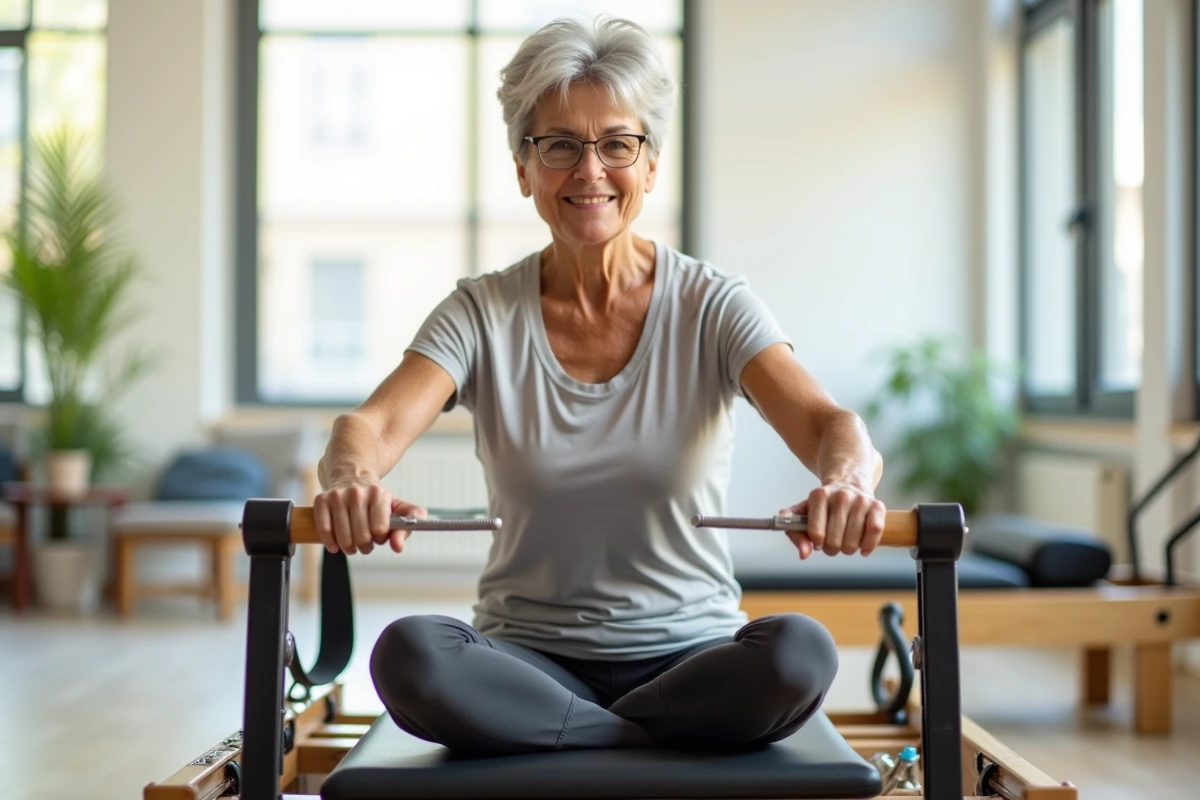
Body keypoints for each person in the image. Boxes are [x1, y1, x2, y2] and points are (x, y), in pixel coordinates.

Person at [313, 16, 885, 756]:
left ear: (649, 166)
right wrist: (354, 482)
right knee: (410, 655)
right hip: (526, 658)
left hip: (692, 655)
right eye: (559, 146)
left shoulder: (712, 304)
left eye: (617, 143)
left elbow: (829, 425)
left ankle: (567, 736)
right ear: (524, 168)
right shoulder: (482, 312)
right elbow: (366, 430)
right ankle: (638, 738)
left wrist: (845, 484)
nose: (589, 171)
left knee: (798, 654)